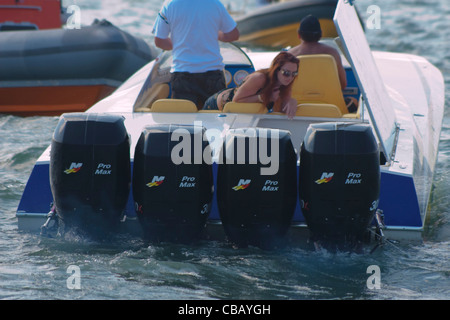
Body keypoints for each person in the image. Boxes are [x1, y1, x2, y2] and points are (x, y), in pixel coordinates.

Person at [152, 0, 240, 108]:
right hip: (212, 74)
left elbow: (159, 41)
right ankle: (200, 125)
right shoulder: (214, 4)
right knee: (211, 120)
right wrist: (216, 35)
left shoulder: (170, 4)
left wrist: (181, 44)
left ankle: (194, 125)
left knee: (185, 120)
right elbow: (233, 34)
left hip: (182, 74)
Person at [203, 51, 300, 119]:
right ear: (276, 69)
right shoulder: (260, 78)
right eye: (286, 73)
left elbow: (283, 110)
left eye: (294, 73)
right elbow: (236, 100)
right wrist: (264, 97)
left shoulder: (285, 85)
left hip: (238, 116)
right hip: (216, 106)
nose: (290, 77)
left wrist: (292, 101)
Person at [288, 15, 347, 90]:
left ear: (299, 35)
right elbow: (343, 84)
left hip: (297, 101)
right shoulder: (332, 53)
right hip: (330, 100)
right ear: (321, 34)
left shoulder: (290, 55)